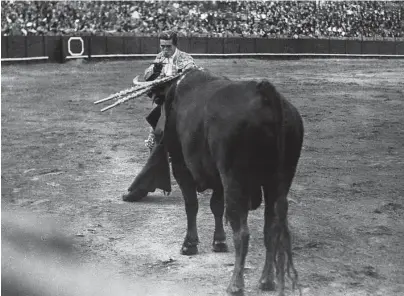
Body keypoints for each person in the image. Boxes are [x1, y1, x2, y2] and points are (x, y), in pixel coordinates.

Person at [123, 30, 197, 202]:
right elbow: (148, 76)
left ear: (175, 44)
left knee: (160, 141)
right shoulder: (160, 58)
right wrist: (155, 70)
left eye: (168, 47)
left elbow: (191, 79)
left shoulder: (186, 60)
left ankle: (142, 187)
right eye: (162, 46)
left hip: (183, 109)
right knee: (155, 143)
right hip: (166, 108)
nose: (165, 50)